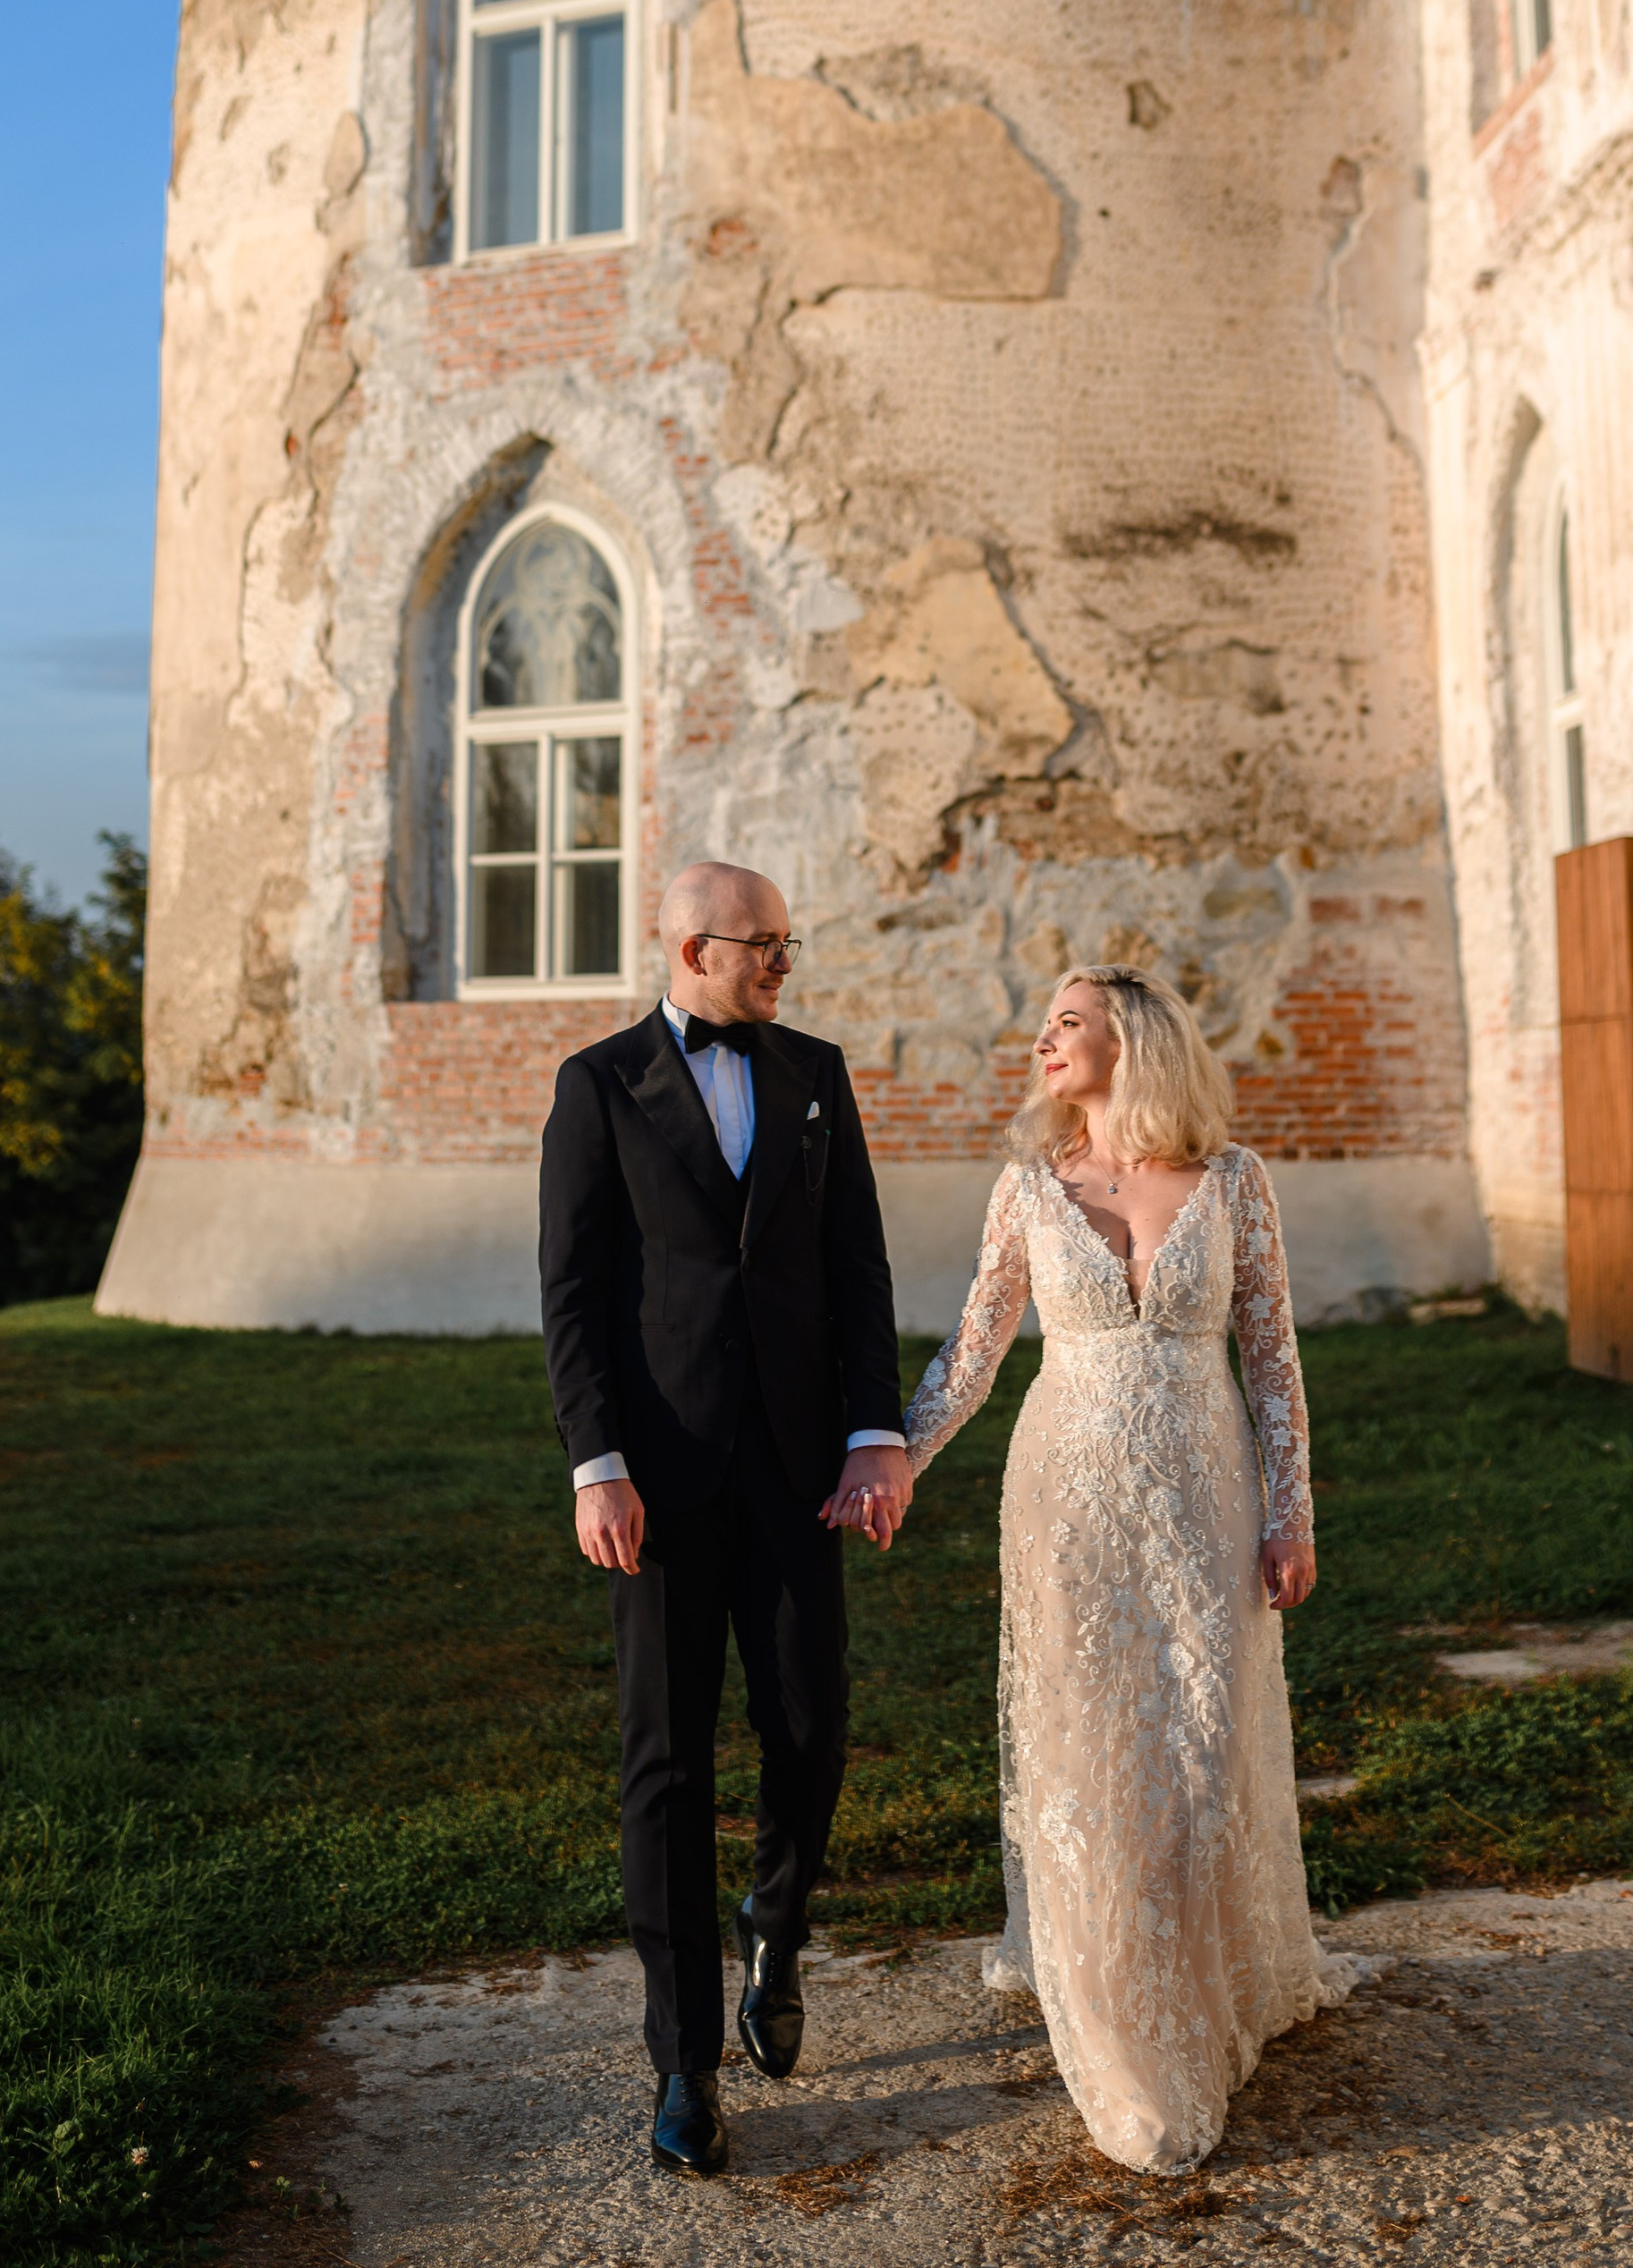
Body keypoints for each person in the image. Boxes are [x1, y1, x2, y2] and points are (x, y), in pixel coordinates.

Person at [903, 961, 1344, 2175]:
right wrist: (894, 1460)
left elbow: (1275, 1365)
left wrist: (1291, 1517)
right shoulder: (1026, 1189)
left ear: (1132, 1040)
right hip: (1068, 1507)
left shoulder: (1235, 1182)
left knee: (1200, 1755)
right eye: (1042, 1025)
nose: (1044, 1040)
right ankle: (1127, 2045)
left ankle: (1205, 1985)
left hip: (1207, 1503)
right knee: (1091, 1755)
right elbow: (975, 1351)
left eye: (1068, 1023)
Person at [538, 860, 910, 2180]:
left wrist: (878, 1435)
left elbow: (857, 1264)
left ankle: (778, 1920)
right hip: (661, 1478)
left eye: (789, 948)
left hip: (803, 1468)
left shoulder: (816, 1074)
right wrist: (599, 1464)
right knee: (667, 1761)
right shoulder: (598, 1087)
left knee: (810, 1727)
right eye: (767, 948)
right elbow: (573, 1294)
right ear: (696, 949)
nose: (784, 968)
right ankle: (685, 2063)